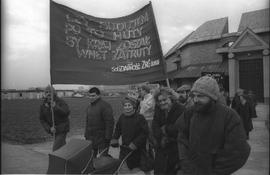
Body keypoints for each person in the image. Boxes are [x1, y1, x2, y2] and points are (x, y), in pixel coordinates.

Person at [177, 76, 250, 175]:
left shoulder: (229, 116)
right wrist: (186, 164)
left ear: (213, 97)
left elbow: (239, 151)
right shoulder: (190, 113)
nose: (195, 99)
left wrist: (214, 171)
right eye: (194, 95)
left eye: (201, 96)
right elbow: (182, 139)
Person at [110, 95, 149, 172]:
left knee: (138, 168)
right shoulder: (122, 117)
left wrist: (135, 143)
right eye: (125, 105)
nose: (127, 107)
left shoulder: (140, 118)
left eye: (129, 105)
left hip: (138, 149)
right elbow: (118, 129)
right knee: (124, 166)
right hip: (125, 147)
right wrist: (114, 138)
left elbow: (145, 133)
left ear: (133, 106)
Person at [152, 87, 185, 175]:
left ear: (171, 98)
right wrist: (160, 137)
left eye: (164, 99)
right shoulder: (158, 110)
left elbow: (181, 128)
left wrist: (166, 129)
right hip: (161, 148)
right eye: (160, 101)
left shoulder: (181, 109)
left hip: (176, 149)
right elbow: (154, 126)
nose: (162, 102)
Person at [84, 87, 114, 157]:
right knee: (91, 159)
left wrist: (108, 137)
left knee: (103, 159)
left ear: (99, 95)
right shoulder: (89, 107)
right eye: (90, 96)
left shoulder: (105, 106)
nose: (91, 97)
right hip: (91, 138)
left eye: (93, 96)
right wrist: (86, 134)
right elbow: (87, 122)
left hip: (102, 139)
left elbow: (109, 122)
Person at [39, 85, 70, 151]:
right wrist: (49, 129)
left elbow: (66, 112)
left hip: (62, 128)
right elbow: (42, 119)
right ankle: (67, 159)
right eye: (47, 92)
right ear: (45, 94)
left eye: (50, 92)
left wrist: (55, 107)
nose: (49, 93)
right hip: (53, 130)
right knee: (62, 147)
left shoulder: (60, 101)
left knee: (56, 149)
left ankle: (56, 160)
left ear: (54, 93)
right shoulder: (43, 105)